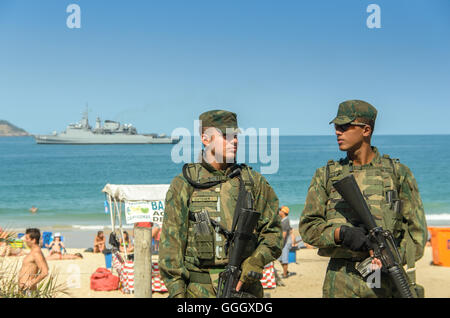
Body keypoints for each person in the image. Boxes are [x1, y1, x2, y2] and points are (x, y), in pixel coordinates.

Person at [299, 100, 428, 298]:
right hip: (340, 280)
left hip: (384, 281)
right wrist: (341, 234)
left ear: (366, 130)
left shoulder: (398, 174)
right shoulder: (326, 175)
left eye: (344, 127)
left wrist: (391, 258)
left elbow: (416, 235)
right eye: (336, 127)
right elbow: (308, 228)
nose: (337, 132)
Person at [159, 109, 282, 298]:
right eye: (225, 136)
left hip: (244, 288)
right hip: (199, 291)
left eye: (235, 136)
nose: (234, 141)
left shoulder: (254, 182)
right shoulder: (185, 184)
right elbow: (171, 247)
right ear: (205, 139)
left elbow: (273, 234)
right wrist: (177, 293)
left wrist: (256, 260)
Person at [18, 228, 49, 294]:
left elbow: (45, 272)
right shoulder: (33, 252)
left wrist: (32, 283)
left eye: (27, 238)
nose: (25, 240)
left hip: (28, 291)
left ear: (33, 240)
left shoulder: (36, 253)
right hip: (24, 290)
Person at [278, 206, 297, 278]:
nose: (279, 212)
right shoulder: (283, 220)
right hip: (285, 242)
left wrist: (280, 243)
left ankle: (285, 274)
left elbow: (284, 234)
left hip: (285, 242)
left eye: (280, 211)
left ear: (283, 213)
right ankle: (286, 271)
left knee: (284, 259)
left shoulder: (285, 221)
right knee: (280, 259)